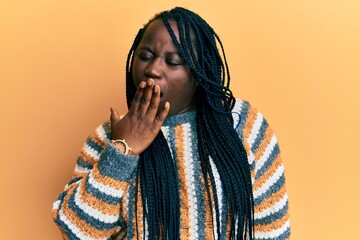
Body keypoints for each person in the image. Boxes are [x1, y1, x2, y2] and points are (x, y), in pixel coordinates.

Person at [52, 7, 290, 240]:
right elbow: (76, 233)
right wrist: (123, 149)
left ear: (199, 73)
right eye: (145, 56)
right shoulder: (109, 136)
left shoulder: (242, 126)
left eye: (173, 61)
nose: (153, 69)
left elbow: (272, 229)